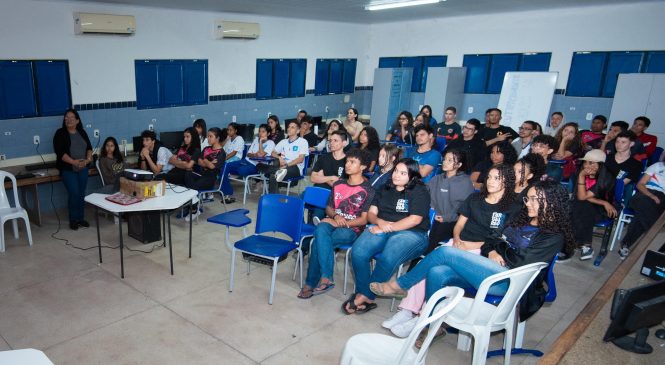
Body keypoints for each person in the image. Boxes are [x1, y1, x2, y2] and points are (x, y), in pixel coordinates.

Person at [370, 180, 570, 319]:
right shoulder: (521, 219)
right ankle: (431, 321)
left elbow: (521, 262)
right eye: (529, 198)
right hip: (491, 270)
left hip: (509, 283)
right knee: (436, 271)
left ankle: (401, 284)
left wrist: (500, 246)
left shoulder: (552, 235)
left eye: (536, 199)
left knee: (445, 252)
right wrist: (494, 250)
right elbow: (492, 238)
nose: (529, 204)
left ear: (551, 202)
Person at [382, 163, 518, 336]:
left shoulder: (511, 208)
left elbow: (500, 239)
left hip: (481, 252)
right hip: (458, 243)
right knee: (426, 264)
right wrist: (457, 238)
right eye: (489, 177)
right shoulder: (475, 199)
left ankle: (423, 315)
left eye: (497, 178)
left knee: (436, 270)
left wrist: (472, 245)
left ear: (508, 181)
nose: (491, 181)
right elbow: (459, 224)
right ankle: (407, 310)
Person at [343, 158, 431, 314]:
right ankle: (365, 293)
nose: (397, 175)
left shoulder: (419, 190)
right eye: (396, 171)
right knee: (358, 251)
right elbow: (371, 214)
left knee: (389, 256)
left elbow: (415, 219)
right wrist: (380, 222)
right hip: (382, 226)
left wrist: (386, 228)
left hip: (413, 233)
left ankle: (364, 297)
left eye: (403, 173)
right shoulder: (385, 187)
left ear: (412, 175)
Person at [297, 149, 375, 299]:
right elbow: (329, 207)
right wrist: (336, 215)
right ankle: (326, 278)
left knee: (318, 243)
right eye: (347, 161)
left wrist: (339, 222)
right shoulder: (338, 184)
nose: (348, 164)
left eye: (353, 162)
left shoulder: (368, 189)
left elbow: (364, 220)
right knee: (321, 229)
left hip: (352, 228)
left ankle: (311, 283)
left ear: (363, 167)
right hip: (333, 220)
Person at [423, 149, 474, 255]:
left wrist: (447, 217)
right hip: (434, 217)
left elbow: (466, 209)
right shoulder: (437, 178)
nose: (445, 162)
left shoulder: (465, 182)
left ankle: (420, 261)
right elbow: (424, 193)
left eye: (450, 160)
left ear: (459, 164)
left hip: (452, 221)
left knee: (433, 234)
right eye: (445, 159)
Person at [569, 149, 617, 261]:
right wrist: (603, 202)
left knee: (581, 207)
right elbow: (581, 196)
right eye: (585, 162)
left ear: (600, 165)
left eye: (591, 163)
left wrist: (604, 202)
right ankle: (585, 245)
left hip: (603, 210)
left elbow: (582, 197)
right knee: (581, 206)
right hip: (589, 205)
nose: (587, 165)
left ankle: (575, 243)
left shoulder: (607, 177)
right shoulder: (580, 173)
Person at [53, 109, 94, 230]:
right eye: (66, 117)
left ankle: (80, 218)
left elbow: (89, 148)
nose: (68, 119)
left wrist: (87, 160)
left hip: (83, 167)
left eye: (71, 117)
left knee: (81, 193)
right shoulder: (60, 133)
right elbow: (60, 152)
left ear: (77, 120)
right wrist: (74, 162)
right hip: (68, 168)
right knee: (74, 193)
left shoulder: (82, 132)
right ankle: (73, 219)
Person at [618, 162, 665, 259]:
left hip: (662, 199)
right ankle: (655, 238)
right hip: (646, 193)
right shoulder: (658, 166)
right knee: (644, 205)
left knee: (641, 216)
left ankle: (626, 244)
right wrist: (652, 196)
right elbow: (640, 185)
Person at [184, 127, 226, 221]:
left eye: (211, 136)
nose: (208, 138)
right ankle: (193, 203)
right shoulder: (207, 148)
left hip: (210, 178)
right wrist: (208, 162)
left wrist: (205, 160)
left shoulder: (221, 153)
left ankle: (194, 209)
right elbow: (198, 161)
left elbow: (212, 167)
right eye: (208, 136)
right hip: (201, 174)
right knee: (186, 173)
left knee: (192, 186)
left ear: (217, 138)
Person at [256, 119, 309, 194]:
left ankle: (273, 199)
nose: (289, 129)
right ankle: (277, 171)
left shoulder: (302, 142)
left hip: (295, 167)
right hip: (282, 166)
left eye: (292, 127)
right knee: (261, 166)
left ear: (298, 131)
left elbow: (300, 159)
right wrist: (279, 158)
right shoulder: (283, 141)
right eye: (289, 127)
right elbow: (273, 153)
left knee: (272, 175)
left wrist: (286, 165)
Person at [225, 123, 275, 193]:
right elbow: (248, 154)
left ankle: (234, 174)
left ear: (268, 133)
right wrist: (255, 155)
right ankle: (226, 189)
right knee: (226, 166)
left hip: (257, 166)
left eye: (263, 132)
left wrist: (260, 142)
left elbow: (261, 155)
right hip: (246, 161)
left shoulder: (270, 143)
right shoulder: (255, 140)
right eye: (260, 131)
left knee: (240, 170)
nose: (260, 133)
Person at [219, 123, 245, 203]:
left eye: (231, 130)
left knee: (223, 167)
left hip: (237, 159)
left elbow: (234, 153)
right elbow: (220, 147)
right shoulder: (229, 139)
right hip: (228, 159)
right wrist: (226, 139)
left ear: (235, 130)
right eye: (228, 130)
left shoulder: (239, 138)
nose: (228, 131)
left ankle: (228, 193)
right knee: (218, 167)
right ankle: (222, 190)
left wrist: (222, 160)